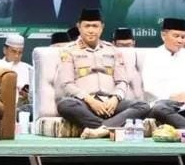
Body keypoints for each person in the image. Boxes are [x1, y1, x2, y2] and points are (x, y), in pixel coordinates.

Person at [55, 8, 149, 138]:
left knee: (143, 106)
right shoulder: (68, 51)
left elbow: (122, 81)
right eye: (87, 26)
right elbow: (67, 84)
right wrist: (91, 101)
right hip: (85, 104)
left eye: (95, 26)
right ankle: (109, 128)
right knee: (65, 104)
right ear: (79, 27)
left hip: (110, 103)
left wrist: (115, 98)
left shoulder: (113, 50)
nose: (91, 30)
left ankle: (100, 130)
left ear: (102, 28)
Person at [0, 33, 32, 114]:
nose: (17, 56)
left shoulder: (29, 69)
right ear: (5, 50)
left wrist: (26, 95)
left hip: (21, 112)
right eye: (14, 51)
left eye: (20, 52)